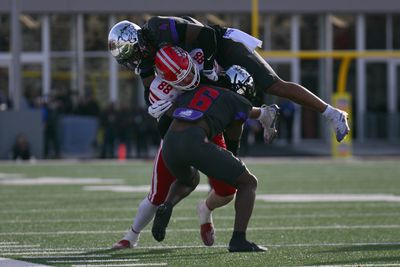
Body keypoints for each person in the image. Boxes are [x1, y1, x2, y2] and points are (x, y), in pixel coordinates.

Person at [111, 45, 278, 249]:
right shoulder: (229, 95)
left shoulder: (201, 66)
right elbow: (247, 122)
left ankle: (175, 207)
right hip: (192, 137)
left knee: (192, 181)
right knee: (247, 182)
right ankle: (238, 240)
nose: (187, 79)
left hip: (174, 138)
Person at [108, 16, 349, 143]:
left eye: (133, 54)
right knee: (213, 106)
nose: (134, 62)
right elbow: (153, 94)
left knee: (273, 84)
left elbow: (207, 34)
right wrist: (158, 109)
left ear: (137, 41)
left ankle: (332, 113)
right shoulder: (146, 62)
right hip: (194, 71)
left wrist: (210, 68)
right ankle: (260, 119)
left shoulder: (158, 28)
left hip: (219, 47)